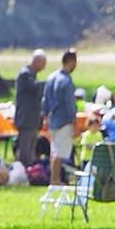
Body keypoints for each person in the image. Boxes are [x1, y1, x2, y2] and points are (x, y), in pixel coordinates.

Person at [41, 48, 78, 187]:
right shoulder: (66, 81)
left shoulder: (51, 77)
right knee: (60, 152)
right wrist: (74, 123)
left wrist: (45, 116)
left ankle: (53, 178)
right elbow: (69, 104)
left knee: (54, 150)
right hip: (64, 120)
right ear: (71, 61)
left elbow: (44, 100)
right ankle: (56, 180)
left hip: (53, 120)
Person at [14, 49, 46, 167]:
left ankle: (29, 170)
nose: (44, 66)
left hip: (32, 119)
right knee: (25, 149)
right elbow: (35, 87)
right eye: (43, 63)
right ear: (37, 61)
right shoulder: (25, 74)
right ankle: (23, 169)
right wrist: (50, 83)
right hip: (26, 118)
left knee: (31, 148)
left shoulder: (32, 74)